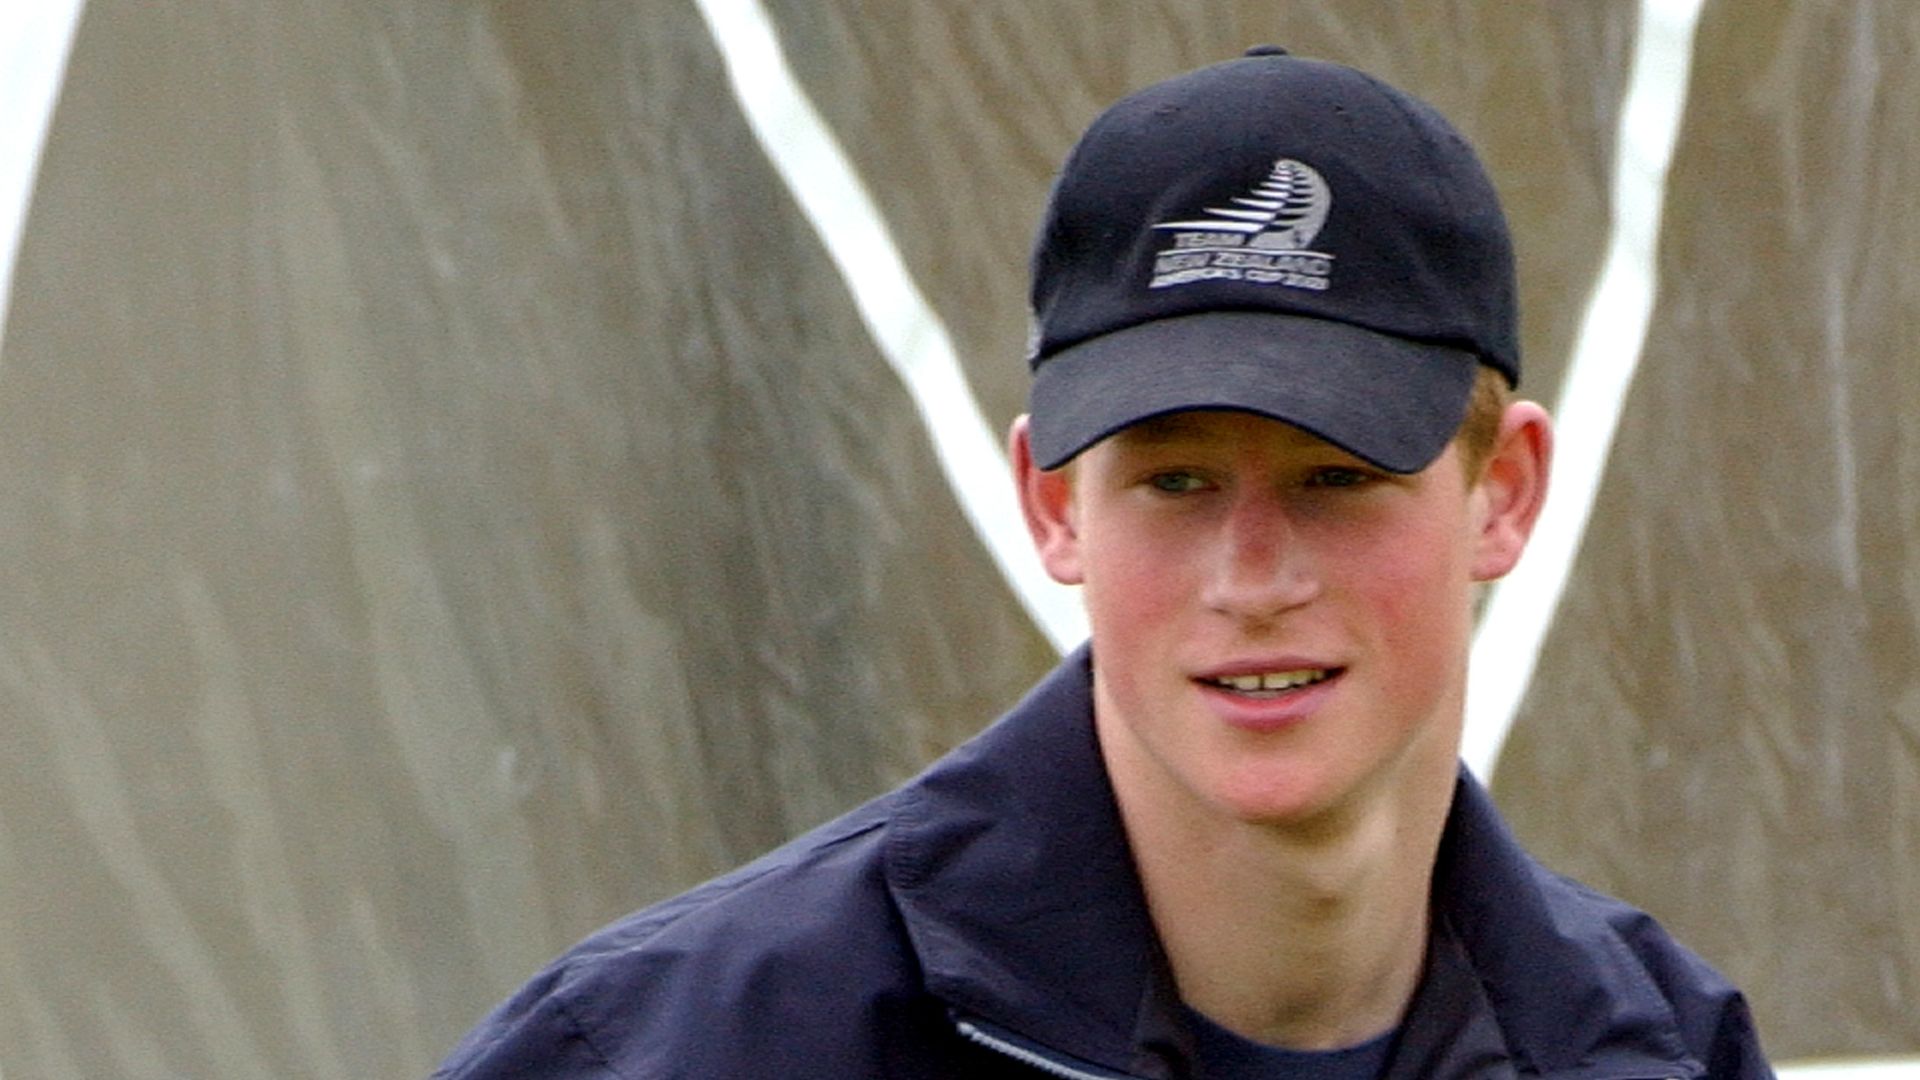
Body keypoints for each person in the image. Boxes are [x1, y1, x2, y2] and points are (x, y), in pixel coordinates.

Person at [434, 47, 1773, 1079]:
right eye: (1175, 482)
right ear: (1053, 505)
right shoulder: (671, 1050)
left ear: (1506, 493)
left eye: (1340, 476)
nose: (1252, 578)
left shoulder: (1663, 1051)